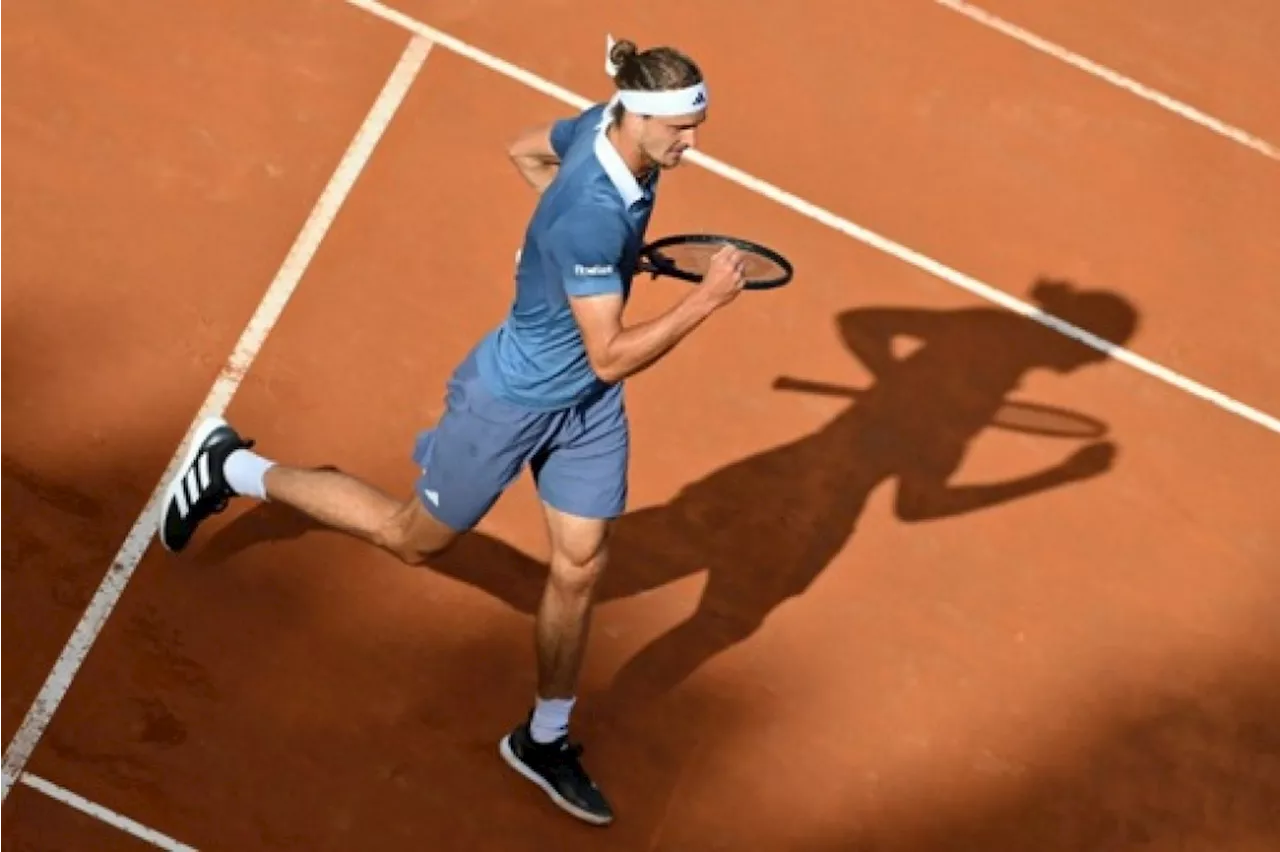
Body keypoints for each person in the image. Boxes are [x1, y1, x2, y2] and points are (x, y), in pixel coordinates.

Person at [157, 36, 746, 826]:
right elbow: (608, 354)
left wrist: (566, 263)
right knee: (413, 538)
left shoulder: (600, 131)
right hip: (513, 401)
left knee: (580, 566)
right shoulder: (588, 213)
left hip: (583, 410)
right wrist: (701, 300)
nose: (693, 146)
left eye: (697, 126)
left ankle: (543, 738)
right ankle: (231, 468)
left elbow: (525, 152)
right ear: (638, 116)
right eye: (681, 131)